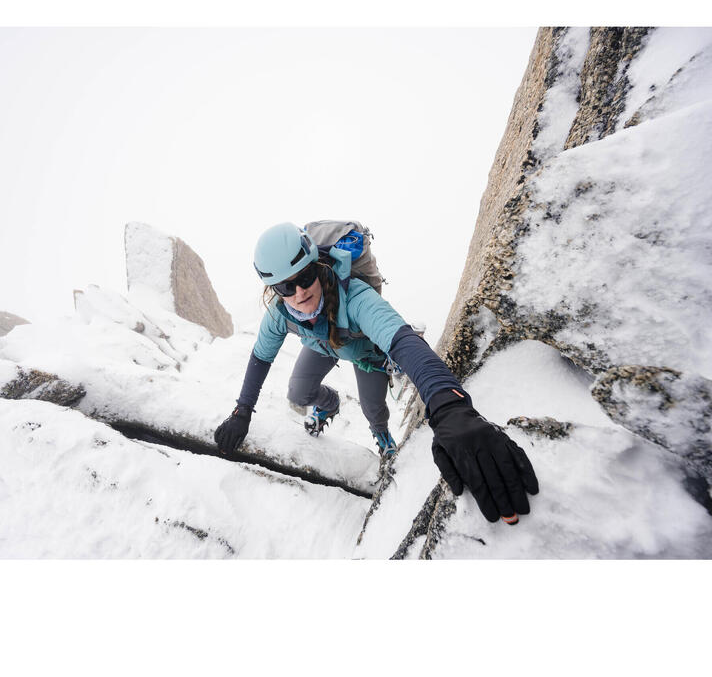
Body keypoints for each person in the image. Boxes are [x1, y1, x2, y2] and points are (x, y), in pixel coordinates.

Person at [214, 222, 539, 524]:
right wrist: (242, 411)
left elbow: (402, 340)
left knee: (373, 410)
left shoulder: (355, 297)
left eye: (304, 276)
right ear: (274, 290)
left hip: (367, 356)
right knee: (297, 393)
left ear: (317, 267)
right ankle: (329, 404)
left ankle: (384, 442)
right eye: (286, 286)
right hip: (321, 346)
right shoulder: (279, 314)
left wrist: (449, 406)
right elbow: (260, 358)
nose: (299, 292)